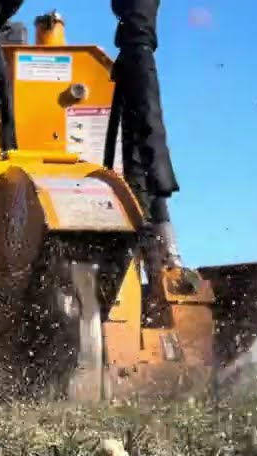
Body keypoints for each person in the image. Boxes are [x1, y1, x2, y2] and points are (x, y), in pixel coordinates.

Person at [111, 0, 183, 270]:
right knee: (137, 153)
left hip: (137, 52)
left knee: (144, 143)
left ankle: (162, 253)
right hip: (135, 53)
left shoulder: (137, 42)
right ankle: (158, 252)